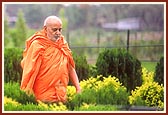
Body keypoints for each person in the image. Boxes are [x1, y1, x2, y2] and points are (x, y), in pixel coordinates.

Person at [20, 15, 81, 103]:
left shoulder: (63, 44)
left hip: (61, 94)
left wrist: (78, 88)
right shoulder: (37, 45)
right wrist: (27, 93)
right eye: (54, 29)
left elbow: (70, 67)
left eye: (60, 29)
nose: (58, 33)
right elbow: (29, 71)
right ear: (45, 29)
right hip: (43, 96)